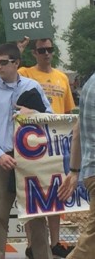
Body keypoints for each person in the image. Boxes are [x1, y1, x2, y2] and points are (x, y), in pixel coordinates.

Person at [0, 43, 53, 259]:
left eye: (4, 62)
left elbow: (53, 119)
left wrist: (34, 113)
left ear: (16, 63)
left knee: (37, 215)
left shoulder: (32, 86)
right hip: (1, 158)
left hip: (31, 159)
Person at [17, 37, 76, 258]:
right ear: (34, 53)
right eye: (41, 50)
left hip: (56, 144)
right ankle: (32, 244)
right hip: (30, 143)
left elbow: (68, 113)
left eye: (50, 50)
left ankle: (55, 242)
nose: (46, 54)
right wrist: (19, 48)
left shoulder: (61, 77)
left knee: (56, 193)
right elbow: (11, 72)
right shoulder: (26, 73)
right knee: (31, 194)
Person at [57, 73, 94, 259]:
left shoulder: (89, 84)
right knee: (92, 241)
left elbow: (77, 130)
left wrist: (74, 171)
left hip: (90, 170)